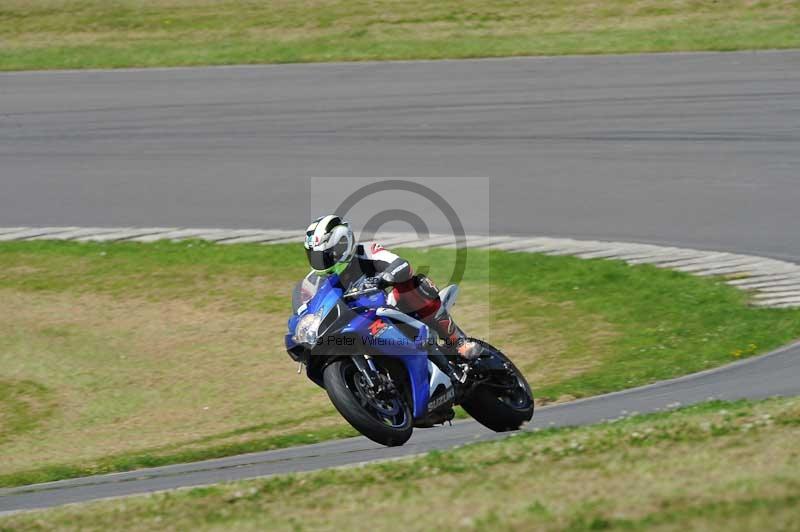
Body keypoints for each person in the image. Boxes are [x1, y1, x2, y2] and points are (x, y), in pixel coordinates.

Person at [300, 214, 481, 361]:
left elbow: (402, 265)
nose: (321, 263)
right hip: (357, 324)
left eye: (325, 256)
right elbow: (306, 307)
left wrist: (383, 279)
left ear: (341, 246)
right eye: (315, 257)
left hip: (391, 311)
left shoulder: (366, 252)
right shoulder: (317, 281)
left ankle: (457, 341)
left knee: (411, 285)